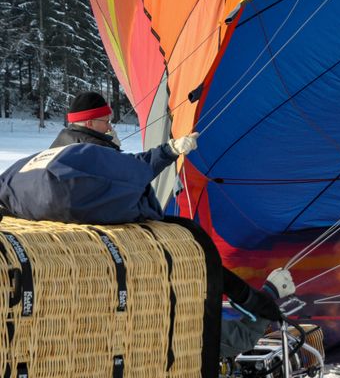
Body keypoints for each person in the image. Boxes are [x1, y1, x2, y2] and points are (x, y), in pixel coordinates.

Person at [52, 92, 293, 351]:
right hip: (135, 254)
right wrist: (168, 151)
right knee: (186, 326)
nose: (111, 126)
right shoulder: (91, 155)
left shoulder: (57, 156)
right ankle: (263, 305)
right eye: (105, 121)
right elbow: (134, 169)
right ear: (89, 124)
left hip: (113, 259)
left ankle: (258, 307)